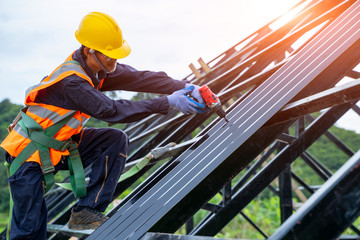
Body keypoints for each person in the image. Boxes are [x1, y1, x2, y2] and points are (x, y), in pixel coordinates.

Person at [0, 12, 207, 240]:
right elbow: (111, 111)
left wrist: (186, 86)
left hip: (56, 148)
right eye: (109, 57)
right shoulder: (72, 81)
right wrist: (168, 102)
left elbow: (140, 78)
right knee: (29, 234)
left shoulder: (97, 69)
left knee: (114, 140)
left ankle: (86, 212)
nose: (114, 63)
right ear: (89, 51)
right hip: (28, 157)